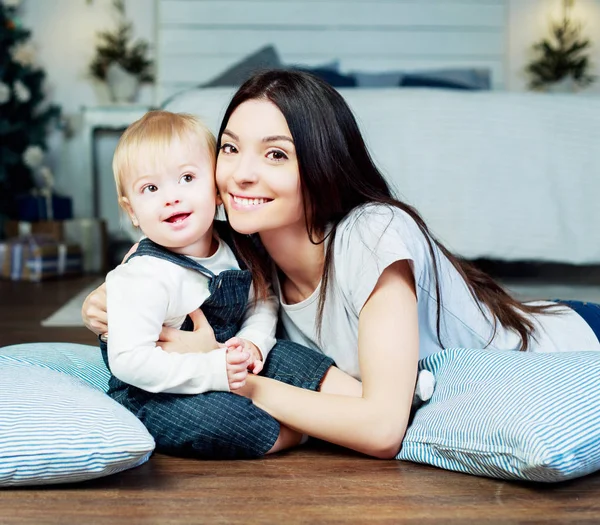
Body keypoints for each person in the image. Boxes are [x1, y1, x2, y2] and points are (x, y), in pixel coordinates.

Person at [84, 69, 600, 461]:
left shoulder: (371, 234)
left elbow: (381, 430)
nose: (241, 174)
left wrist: (229, 374)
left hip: (571, 340)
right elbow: (149, 267)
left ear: (323, 163)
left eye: (277, 155)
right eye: (230, 149)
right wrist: (102, 303)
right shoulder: (245, 248)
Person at [98, 109, 361, 460]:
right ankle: (314, 431)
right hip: (158, 388)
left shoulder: (237, 244)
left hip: (231, 358)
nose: (171, 197)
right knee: (221, 421)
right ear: (131, 211)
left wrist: (253, 342)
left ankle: (376, 400)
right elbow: (130, 362)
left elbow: (261, 301)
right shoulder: (145, 275)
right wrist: (212, 370)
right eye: (151, 188)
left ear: (217, 190)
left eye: (188, 178)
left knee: (295, 358)